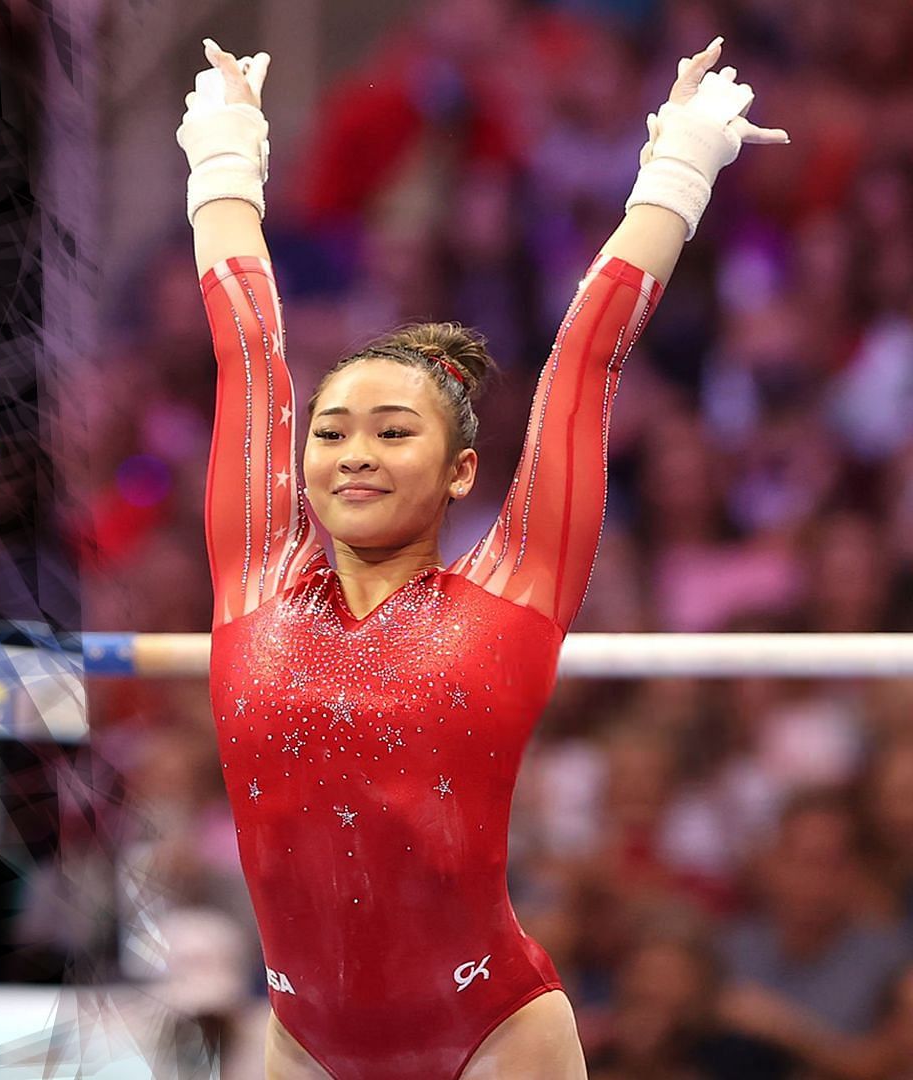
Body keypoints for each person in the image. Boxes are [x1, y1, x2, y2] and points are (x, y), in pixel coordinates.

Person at [183, 33, 785, 1080]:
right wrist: (225, 154)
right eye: (331, 432)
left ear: (462, 471)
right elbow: (248, 347)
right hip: (300, 1042)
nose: (353, 454)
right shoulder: (255, 578)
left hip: (495, 1037)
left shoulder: (511, 591)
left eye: (393, 431)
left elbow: (586, 364)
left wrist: (678, 163)